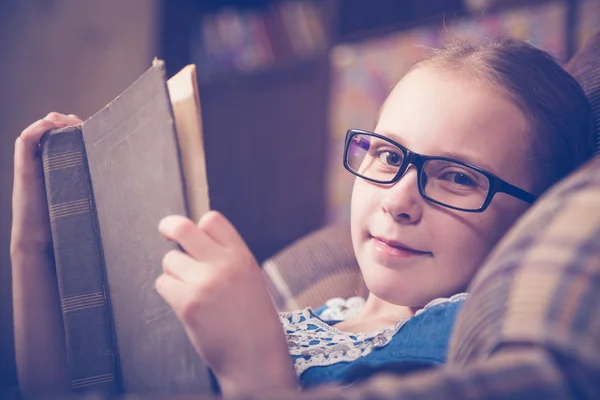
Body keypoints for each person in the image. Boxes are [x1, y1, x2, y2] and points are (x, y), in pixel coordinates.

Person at [11, 38, 595, 398]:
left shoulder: (463, 339)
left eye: (458, 177)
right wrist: (32, 244)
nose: (397, 199)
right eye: (388, 155)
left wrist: (258, 376)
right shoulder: (302, 312)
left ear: (536, 218)